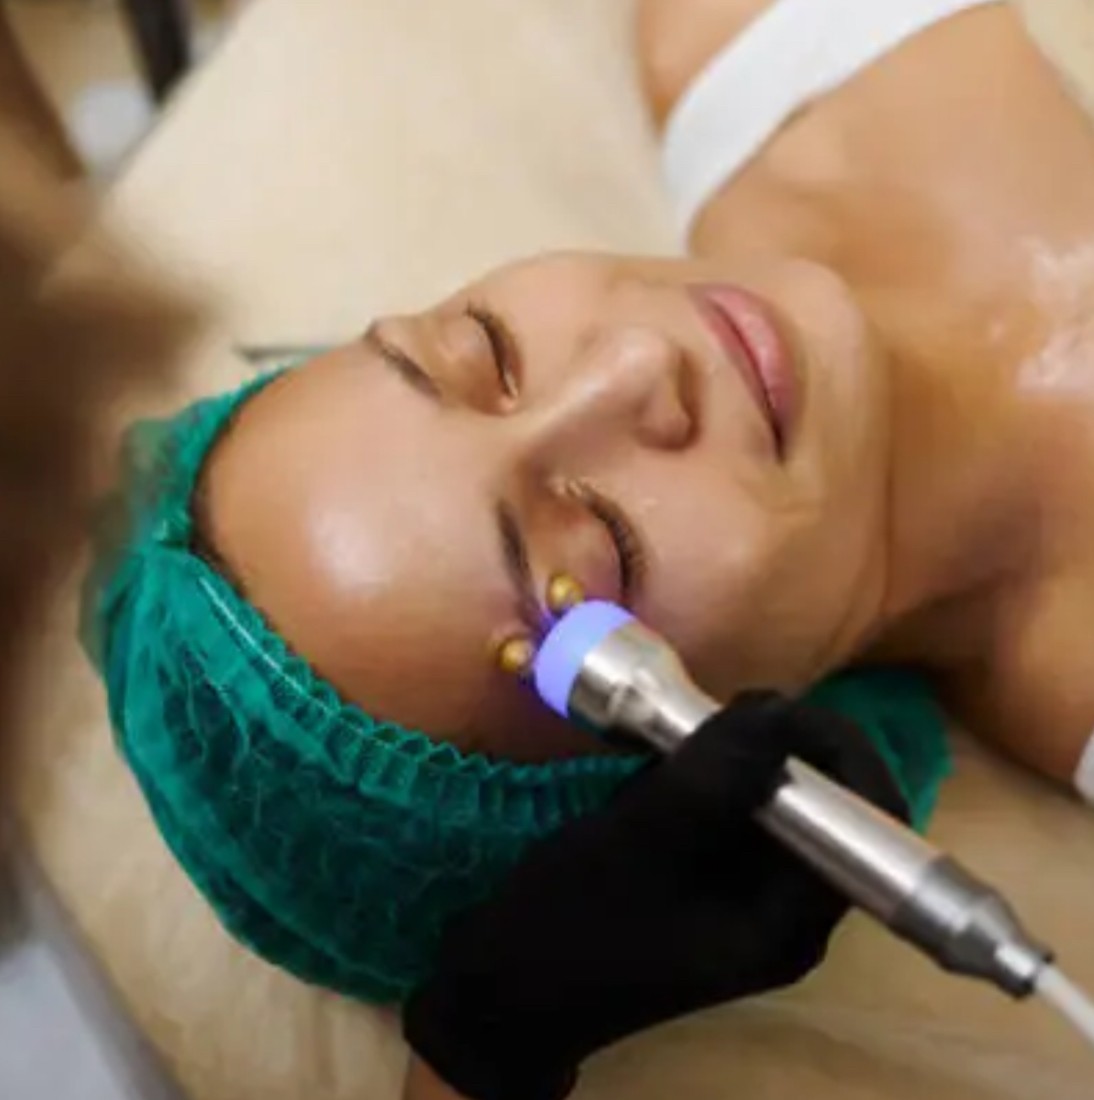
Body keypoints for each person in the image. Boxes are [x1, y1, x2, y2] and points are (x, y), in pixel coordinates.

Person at [81, 0, 1094, 1096]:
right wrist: (492, 1035)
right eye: (605, 550)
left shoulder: (734, 38)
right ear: (690, 752)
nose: (633, 367)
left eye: (483, 351)